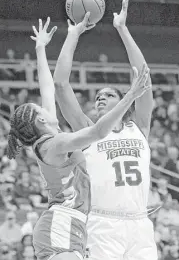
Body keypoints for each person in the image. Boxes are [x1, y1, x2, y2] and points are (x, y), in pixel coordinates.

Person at [7, 17, 150, 260]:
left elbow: (48, 88)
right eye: (41, 108)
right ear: (41, 120)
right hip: (63, 223)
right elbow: (96, 132)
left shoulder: (52, 137)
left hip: (75, 225)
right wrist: (130, 96)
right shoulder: (57, 143)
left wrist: (41, 48)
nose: (45, 106)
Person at [54, 0, 158, 260]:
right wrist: (73, 34)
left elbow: (143, 75)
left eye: (109, 94)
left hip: (140, 225)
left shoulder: (139, 127)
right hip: (102, 224)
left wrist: (122, 29)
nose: (100, 97)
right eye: (98, 95)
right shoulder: (89, 131)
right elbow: (61, 85)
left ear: (125, 100)